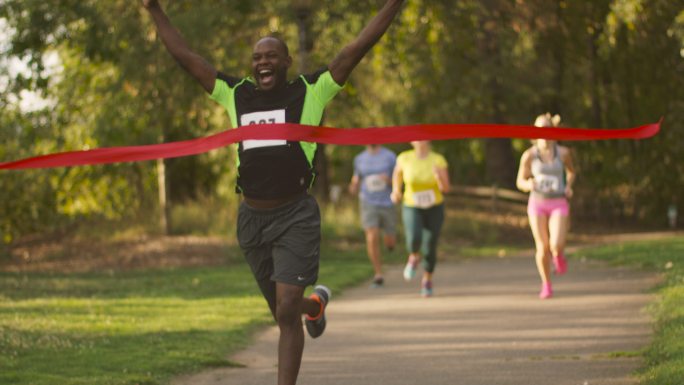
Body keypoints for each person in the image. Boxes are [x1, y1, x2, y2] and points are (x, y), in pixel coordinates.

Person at [141, 1, 405, 384]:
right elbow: (186, 57)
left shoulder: (311, 91)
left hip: (295, 215)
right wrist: (154, 11)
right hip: (252, 219)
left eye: (271, 56)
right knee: (284, 312)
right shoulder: (235, 94)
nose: (262, 62)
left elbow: (356, 48)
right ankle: (314, 306)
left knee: (285, 311)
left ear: (286, 62)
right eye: (256, 57)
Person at [516, 113, 576, 300]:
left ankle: (559, 256)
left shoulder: (563, 153)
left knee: (555, 244)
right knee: (542, 247)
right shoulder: (529, 155)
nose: (543, 133)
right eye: (539, 129)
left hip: (558, 202)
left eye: (546, 128)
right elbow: (520, 180)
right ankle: (546, 284)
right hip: (537, 203)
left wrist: (568, 186)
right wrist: (529, 185)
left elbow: (571, 172)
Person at [391, 141, 450, 297]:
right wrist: (396, 191)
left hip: (435, 206)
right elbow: (397, 175)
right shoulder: (404, 158)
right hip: (412, 205)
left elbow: (446, 188)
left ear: (429, 140)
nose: (420, 140)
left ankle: (427, 279)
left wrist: (438, 178)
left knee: (430, 245)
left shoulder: (438, 159)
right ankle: (414, 255)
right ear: (412, 140)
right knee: (414, 238)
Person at [349, 145, 398, 288]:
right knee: (371, 235)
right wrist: (353, 186)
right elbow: (356, 178)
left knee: (390, 241)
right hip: (367, 201)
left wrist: (388, 180)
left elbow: (398, 178)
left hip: (387, 201)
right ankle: (378, 274)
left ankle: (390, 244)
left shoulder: (390, 156)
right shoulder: (359, 158)